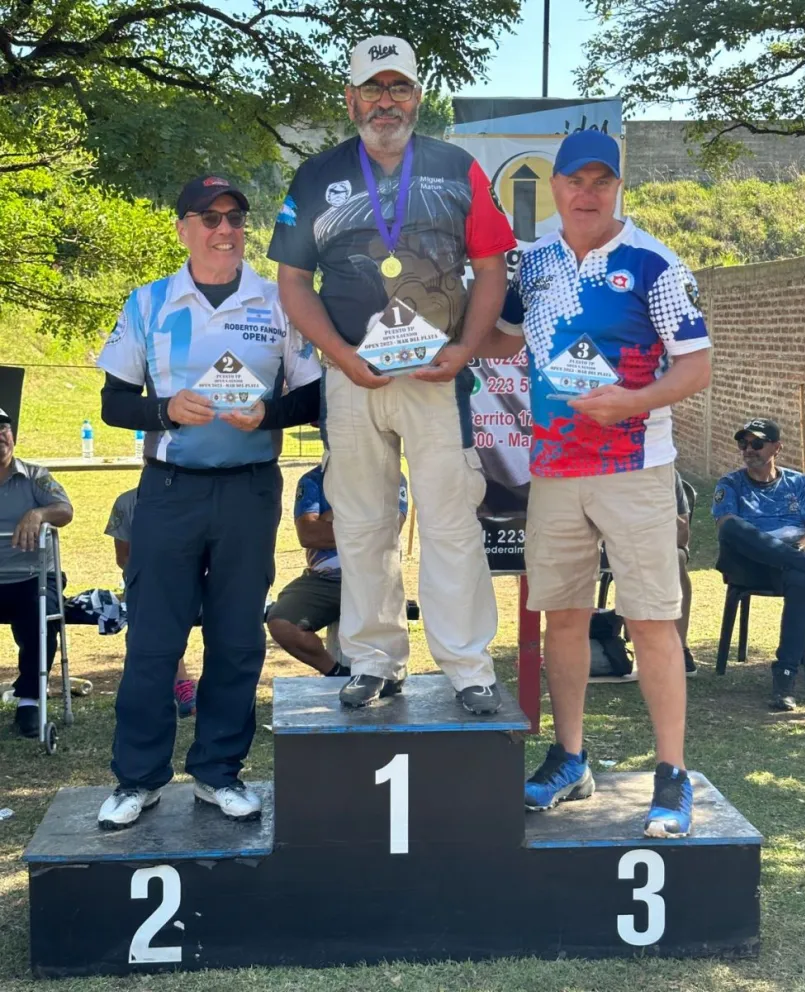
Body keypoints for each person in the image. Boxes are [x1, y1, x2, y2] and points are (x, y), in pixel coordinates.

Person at [269, 36, 516, 714]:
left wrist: (465, 351)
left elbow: (492, 268)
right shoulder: (316, 175)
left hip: (437, 376)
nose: (386, 102)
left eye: (399, 88)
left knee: (449, 521)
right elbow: (293, 281)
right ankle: (375, 660)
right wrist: (340, 358)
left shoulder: (456, 167)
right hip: (354, 377)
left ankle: (467, 667)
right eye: (372, 89)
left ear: (417, 96)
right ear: (350, 99)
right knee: (361, 523)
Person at [477, 129, 712, 837]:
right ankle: (571, 758)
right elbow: (504, 340)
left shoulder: (654, 263)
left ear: (618, 187)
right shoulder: (536, 260)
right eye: (574, 180)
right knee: (565, 617)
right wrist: (435, 334)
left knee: (650, 620)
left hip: (634, 468)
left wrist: (630, 402)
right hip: (553, 470)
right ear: (554, 187)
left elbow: (695, 368)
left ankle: (670, 776)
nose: (586, 193)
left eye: (600, 181)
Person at [95, 175, 321, 829]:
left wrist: (269, 412)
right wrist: (164, 410)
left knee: (236, 639)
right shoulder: (148, 303)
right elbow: (112, 403)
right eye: (209, 218)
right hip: (169, 492)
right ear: (183, 228)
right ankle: (137, 780)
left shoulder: (280, 301)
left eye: (235, 219)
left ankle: (218, 773)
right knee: (154, 642)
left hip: (251, 489)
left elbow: (312, 396)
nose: (225, 230)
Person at [712, 418, 805, 710]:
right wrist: (802, 560)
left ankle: (785, 678)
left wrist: (798, 551)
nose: (748, 449)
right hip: (746, 564)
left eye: (757, 443)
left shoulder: (799, 484)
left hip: (790, 562)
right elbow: (726, 527)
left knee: (801, 579)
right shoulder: (730, 484)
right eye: (743, 443)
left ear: (777, 447)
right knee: (731, 528)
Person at [267, 465, 409, 674]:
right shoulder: (313, 480)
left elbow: (388, 530)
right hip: (324, 580)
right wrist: (365, 521)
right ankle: (337, 674)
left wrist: (329, 517)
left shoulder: (391, 476)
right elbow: (309, 535)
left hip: (374, 576)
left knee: (382, 637)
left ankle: (382, 676)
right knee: (282, 622)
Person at [0, 407, 73, 737]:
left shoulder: (34, 475)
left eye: (4, 429)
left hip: (33, 574)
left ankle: (30, 700)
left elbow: (65, 510)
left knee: (38, 612)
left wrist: (37, 513)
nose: (1, 436)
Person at [105, 484, 197, 717]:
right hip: (146, 584)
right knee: (154, 607)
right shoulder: (127, 502)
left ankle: (175, 683)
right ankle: (179, 683)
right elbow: (123, 558)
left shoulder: (197, 498)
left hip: (192, 580)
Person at [675, 470, 696, 676]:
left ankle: (680, 647)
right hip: (616, 545)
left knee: (677, 557)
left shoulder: (668, 475)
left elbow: (682, 535)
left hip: (662, 545)